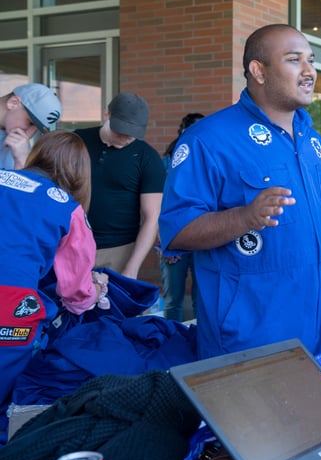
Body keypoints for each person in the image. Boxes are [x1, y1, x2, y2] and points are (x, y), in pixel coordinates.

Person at [158, 23, 321, 360]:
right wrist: (245, 217)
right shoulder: (207, 139)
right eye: (294, 60)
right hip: (253, 336)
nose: (309, 71)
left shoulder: (314, 141)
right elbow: (177, 230)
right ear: (259, 71)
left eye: (311, 60)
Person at [0, 130, 106, 408]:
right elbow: (76, 296)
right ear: (79, 172)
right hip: (10, 310)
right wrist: (97, 289)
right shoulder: (68, 210)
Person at [75, 92, 166, 280]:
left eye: (133, 133)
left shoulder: (147, 157)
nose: (126, 137)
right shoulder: (77, 142)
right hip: (73, 243)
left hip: (118, 249)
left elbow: (152, 217)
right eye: (121, 130)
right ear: (107, 115)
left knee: (112, 308)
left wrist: (132, 267)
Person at [158, 112, 205, 322]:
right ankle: (171, 346)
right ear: (184, 131)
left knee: (202, 298)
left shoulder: (208, 161)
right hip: (173, 238)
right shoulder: (166, 162)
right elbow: (155, 206)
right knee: (173, 299)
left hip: (201, 237)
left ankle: (200, 345)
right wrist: (164, 242)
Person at [0, 83, 62, 170]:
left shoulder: (20, 145)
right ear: (13, 103)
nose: (29, 135)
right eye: (30, 123)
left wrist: (22, 161)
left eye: (37, 129)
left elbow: (22, 183)